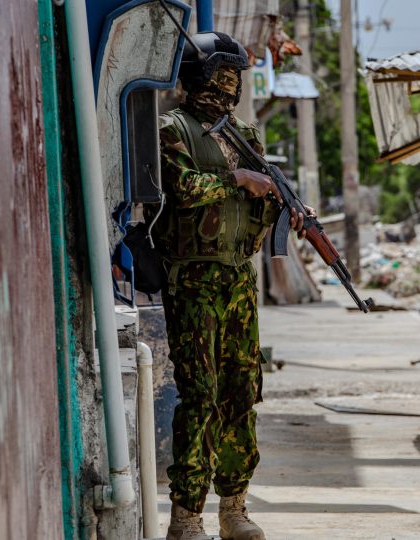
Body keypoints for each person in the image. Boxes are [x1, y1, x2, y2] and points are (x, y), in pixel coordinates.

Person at [155, 31, 310, 540]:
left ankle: (234, 507)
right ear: (206, 75)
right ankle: (186, 516)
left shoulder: (244, 133)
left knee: (241, 393)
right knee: (200, 396)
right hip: (194, 280)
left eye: (235, 78)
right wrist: (238, 180)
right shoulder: (171, 128)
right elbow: (179, 189)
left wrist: (286, 205)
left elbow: (260, 198)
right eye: (227, 76)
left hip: (238, 280)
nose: (231, 87)